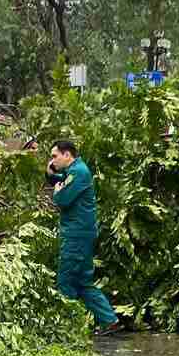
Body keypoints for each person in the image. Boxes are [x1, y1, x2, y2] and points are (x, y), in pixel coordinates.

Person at [46, 140, 122, 335]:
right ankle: (109, 320)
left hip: (76, 236)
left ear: (67, 155)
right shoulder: (75, 170)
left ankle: (69, 327)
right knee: (82, 282)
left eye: (55, 156)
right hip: (81, 233)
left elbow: (62, 199)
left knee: (66, 281)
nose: (52, 160)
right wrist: (52, 176)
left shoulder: (79, 172)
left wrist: (57, 192)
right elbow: (62, 179)